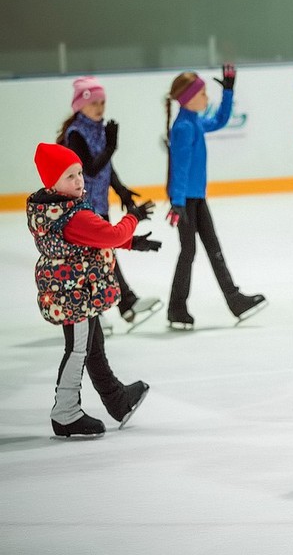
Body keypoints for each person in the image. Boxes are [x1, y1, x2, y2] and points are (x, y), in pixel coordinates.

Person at [27, 143, 159, 437]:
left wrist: (132, 242)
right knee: (78, 350)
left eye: (79, 173)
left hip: (73, 292)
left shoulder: (53, 208)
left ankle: (118, 400)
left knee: (93, 347)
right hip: (74, 294)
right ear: (52, 183)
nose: (78, 181)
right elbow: (109, 233)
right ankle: (66, 412)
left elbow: (91, 238)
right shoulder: (71, 214)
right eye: (69, 176)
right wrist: (132, 218)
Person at [57, 76, 161, 334]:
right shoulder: (75, 135)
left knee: (105, 254)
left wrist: (122, 191)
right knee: (94, 258)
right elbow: (90, 169)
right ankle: (98, 310)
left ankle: (126, 304)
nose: (100, 107)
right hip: (81, 207)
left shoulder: (98, 129)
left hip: (98, 203)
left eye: (103, 102)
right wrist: (112, 146)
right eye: (94, 102)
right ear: (80, 105)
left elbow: (107, 169)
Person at [165, 64, 266, 329]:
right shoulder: (184, 128)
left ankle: (234, 300)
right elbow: (179, 167)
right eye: (202, 95)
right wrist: (176, 202)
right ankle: (177, 307)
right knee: (188, 252)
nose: (206, 98)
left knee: (212, 248)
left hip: (195, 198)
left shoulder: (194, 122)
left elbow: (220, 120)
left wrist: (229, 91)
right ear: (188, 98)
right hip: (185, 201)